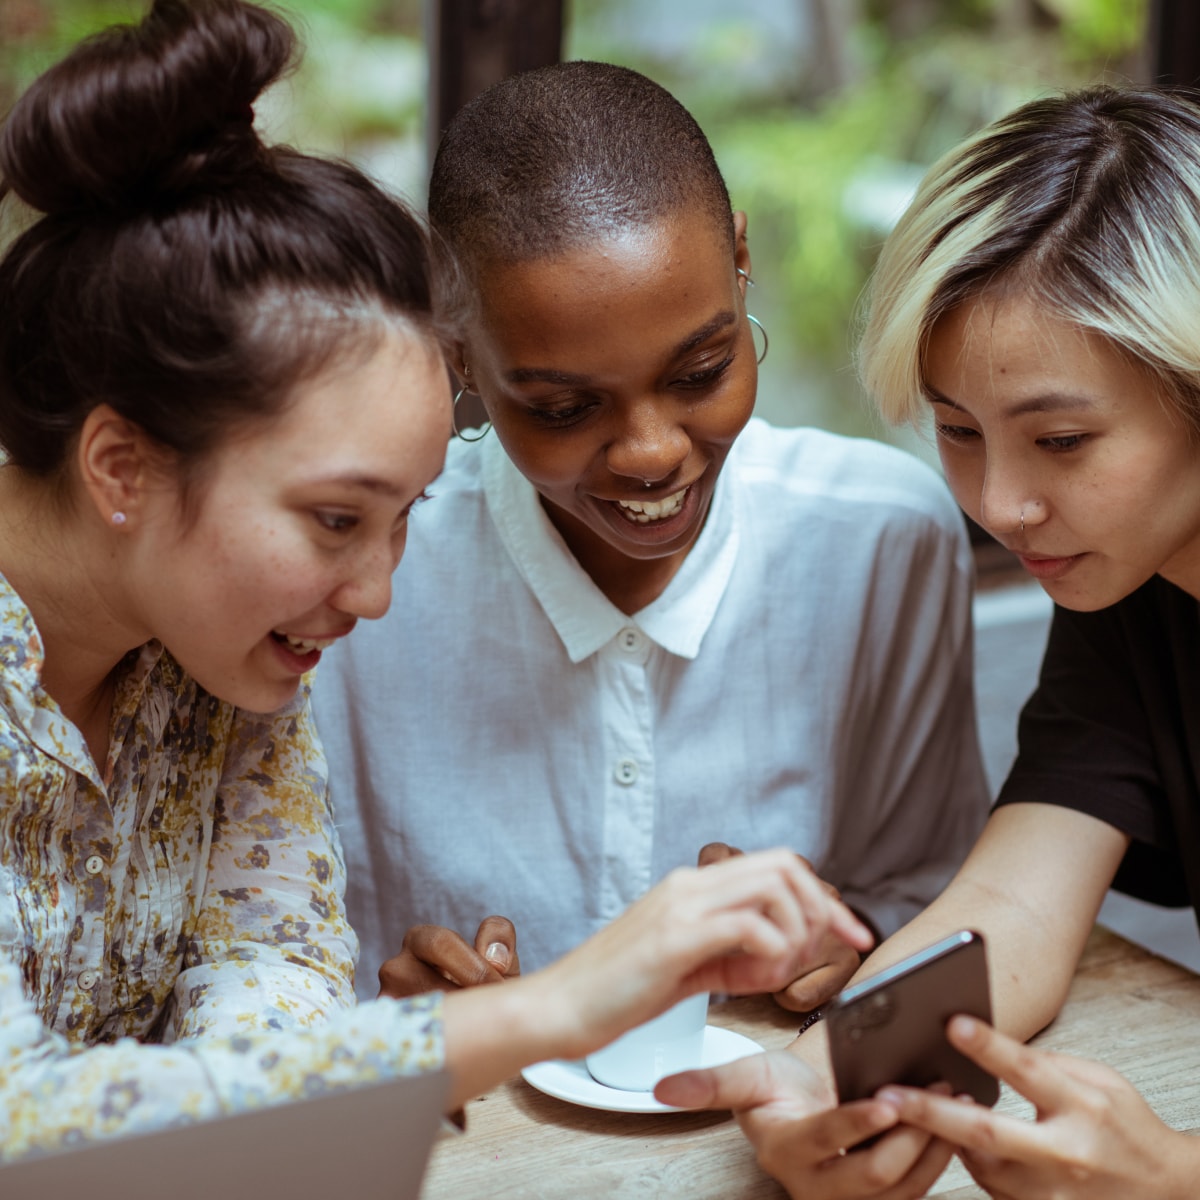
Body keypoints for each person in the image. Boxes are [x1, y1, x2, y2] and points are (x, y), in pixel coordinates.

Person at [0, 0, 875, 1162]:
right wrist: (554, 1007)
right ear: (123, 466)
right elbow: (21, 1122)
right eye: (333, 520)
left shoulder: (211, 655)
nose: (376, 593)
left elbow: (273, 973)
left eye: (405, 516)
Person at [310, 59, 991, 1014]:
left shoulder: (881, 542)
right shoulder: (361, 587)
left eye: (703, 370)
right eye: (563, 406)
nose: (651, 453)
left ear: (741, 258)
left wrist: (848, 941)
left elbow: (936, 901)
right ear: (458, 349)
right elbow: (273, 971)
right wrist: (391, 1012)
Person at [656, 84, 1200, 1199]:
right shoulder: (1134, 597)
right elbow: (1010, 908)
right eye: (956, 431)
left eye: (1060, 439)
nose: (1001, 503)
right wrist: (821, 1084)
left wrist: (1176, 1178)